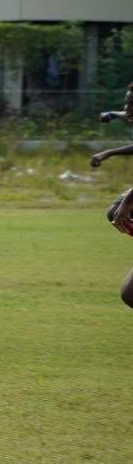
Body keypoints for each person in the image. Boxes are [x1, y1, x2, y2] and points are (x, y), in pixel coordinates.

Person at [90, 83, 133, 308]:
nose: (126, 108)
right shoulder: (129, 113)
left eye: (130, 103)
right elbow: (126, 114)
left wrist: (127, 203)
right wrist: (111, 114)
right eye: (126, 102)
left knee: (118, 208)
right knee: (130, 295)